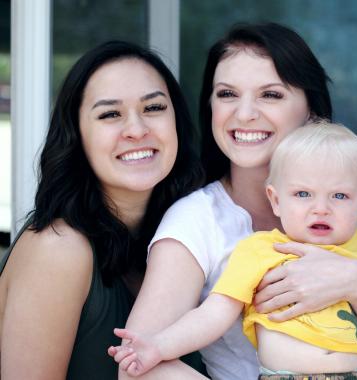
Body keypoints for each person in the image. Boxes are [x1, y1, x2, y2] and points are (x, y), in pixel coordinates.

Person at [116, 23, 357, 380]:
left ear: (311, 110)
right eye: (227, 94)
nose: (244, 113)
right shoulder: (195, 221)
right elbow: (136, 370)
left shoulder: (354, 188)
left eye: (270, 95)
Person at [110, 122, 357, 379]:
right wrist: (158, 346)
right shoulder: (260, 251)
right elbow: (214, 314)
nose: (320, 209)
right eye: (303, 194)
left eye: (339, 196)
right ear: (276, 200)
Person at [0, 41, 204, 379]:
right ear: (77, 136)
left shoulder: (184, 236)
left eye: (153, 108)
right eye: (110, 114)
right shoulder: (59, 248)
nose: (137, 130)